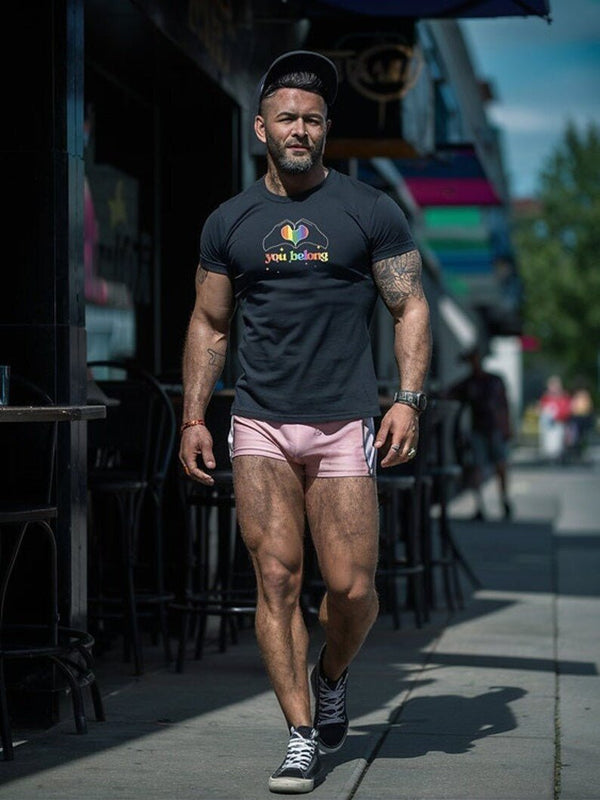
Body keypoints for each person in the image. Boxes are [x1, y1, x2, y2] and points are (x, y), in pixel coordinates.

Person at [179, 50, 431, 795]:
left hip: (343, 421)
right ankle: (299, 734)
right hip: (259, 423)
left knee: (353, 589)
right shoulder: (230, 221)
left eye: (313, 119)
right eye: (287, 117)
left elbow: (410, 304)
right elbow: (208, 322)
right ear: (261, 128)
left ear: (327, 130)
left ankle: (330, 675)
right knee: (278, 578)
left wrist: (407, 399)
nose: (300, 129)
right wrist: (194, 415)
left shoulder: (369, 210)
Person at [448, 346, 512, 520]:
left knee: (500, 466)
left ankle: (504, 500)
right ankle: (480, 505)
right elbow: (449, 393)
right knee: (477, 467)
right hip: (479, 429)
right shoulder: (469, 384)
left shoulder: (493, 381)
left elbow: (504, 405)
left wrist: (506, 427)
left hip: (494, 428)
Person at [538, 375, 571, 464]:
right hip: (548, 425)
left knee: (557, 444)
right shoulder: (546, 397)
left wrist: (557, 416)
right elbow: (541, 409)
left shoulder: (563, 397)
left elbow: (566, 410)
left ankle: (558, 458)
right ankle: (550, 458)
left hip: (559, 423)